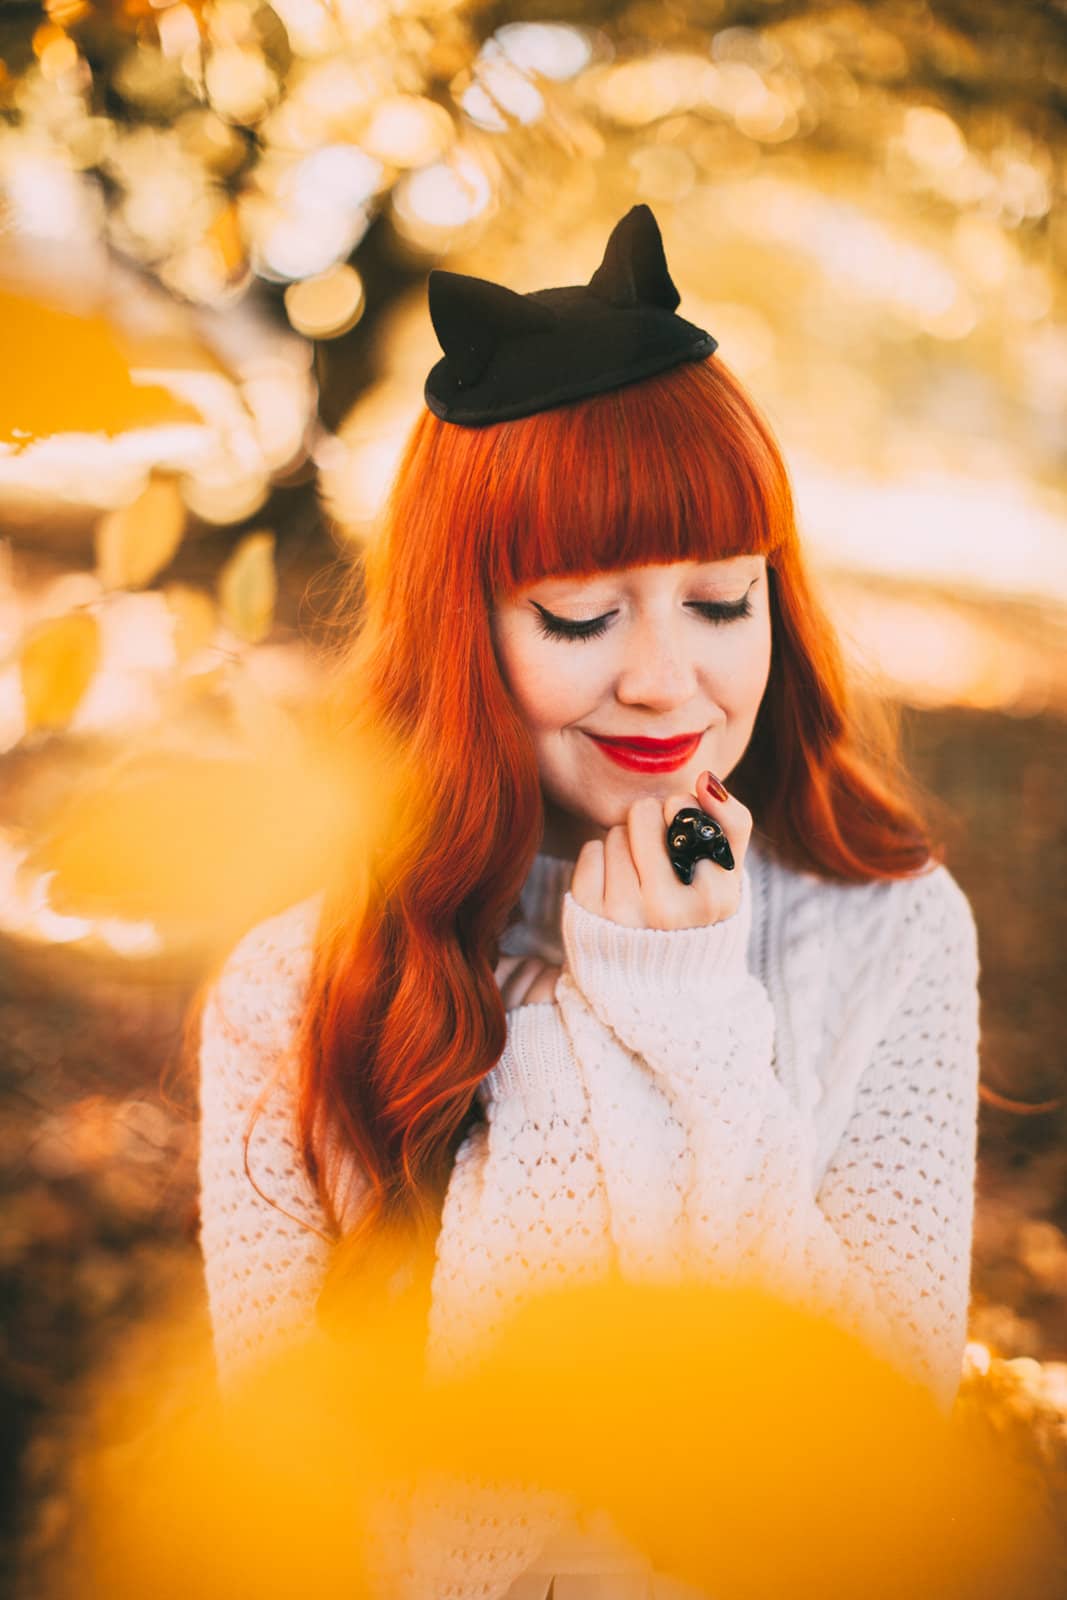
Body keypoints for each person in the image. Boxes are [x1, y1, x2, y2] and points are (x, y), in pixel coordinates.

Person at [195, 205, 982, 1600]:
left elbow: (875, 1468)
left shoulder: (892, 931)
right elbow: (327, 1531)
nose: (669, 682)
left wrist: (691, 1024)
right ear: (464, 626)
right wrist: (579, 1021)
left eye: (722, 600)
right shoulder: (291, 986)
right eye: (580, 616)